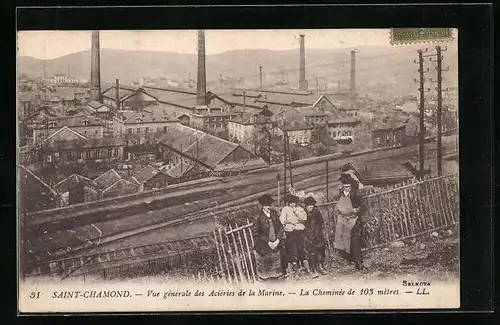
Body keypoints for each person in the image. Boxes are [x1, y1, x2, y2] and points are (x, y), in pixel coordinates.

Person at [279, 193, 318, 278]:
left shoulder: (299, 209)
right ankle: (296, 271)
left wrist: (297, 213)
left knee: (303, 249)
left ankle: (307, 270)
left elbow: (304, 218)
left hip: (300, 231)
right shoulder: (285, 209)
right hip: (291, 232)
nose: (292, 204)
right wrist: (287, 225)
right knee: (293, 250)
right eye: (291, 202)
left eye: (294, 202)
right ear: (288, 202)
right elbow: (282, 221)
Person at [333, 173, 366, 270]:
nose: (347, 188)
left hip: (353, 220)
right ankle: (351, 259)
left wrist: (357, 210)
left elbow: (363, 205)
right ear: (342, 187)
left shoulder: (355, 194)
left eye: (348, 187)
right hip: (344, 221)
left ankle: (358, 262)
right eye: (345, 187)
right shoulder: (341, 195)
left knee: (355, 240)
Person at [252, 194, 286, 281]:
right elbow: (256, 233)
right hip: (264, 243)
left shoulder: (274, 213)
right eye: (265, 205)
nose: (267, 207)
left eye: (268, 205)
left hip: (275, 241)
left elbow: (280, 228)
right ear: (262, 205)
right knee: (264, 259)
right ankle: (265, 277)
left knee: (277, 256)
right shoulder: (258, 217)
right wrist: (268, 242)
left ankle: (277, 275)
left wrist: (278, 239)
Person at [303, 196, 328, 275]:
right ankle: (313, 267)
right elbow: (302, 226)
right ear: (306, 206)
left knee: (320, 249)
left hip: (317, 234)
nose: (310, 207)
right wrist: (306, 236)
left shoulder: (316, 212)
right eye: (309, 205)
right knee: (311, 252)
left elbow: (321, 222)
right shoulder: (303, 214)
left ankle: (320, 265)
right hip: (308, 236)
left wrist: (319, 232)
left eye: (312, 205)